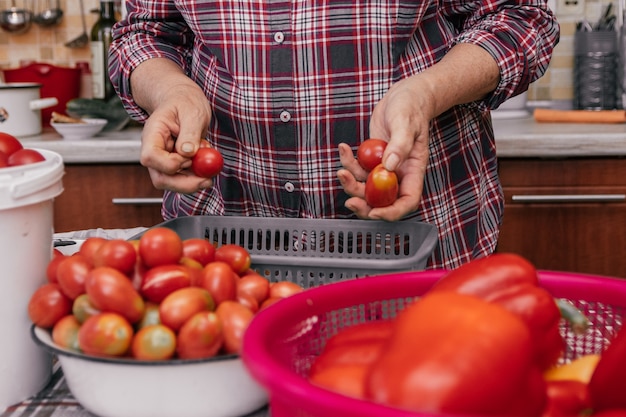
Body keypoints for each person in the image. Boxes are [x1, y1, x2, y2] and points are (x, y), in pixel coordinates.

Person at [108, 1, 559, 270]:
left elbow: (520, 17)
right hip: (225, 251)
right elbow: (143, 35)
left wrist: (425, 93)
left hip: (423, 245)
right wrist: (172, 89)